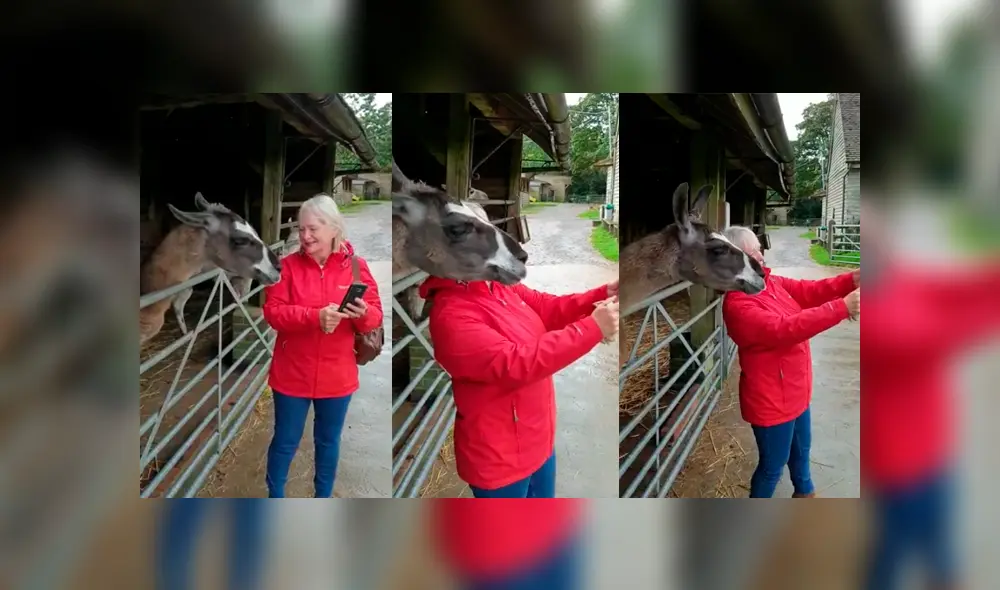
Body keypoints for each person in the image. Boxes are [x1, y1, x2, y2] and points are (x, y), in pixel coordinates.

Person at [862, 202, 1000, 590]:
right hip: (898, 462)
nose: (883, 244)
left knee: (940, 549)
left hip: (933, 451)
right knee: (894, 552)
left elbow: (957, 290)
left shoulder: (899, 281)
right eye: (870, 240)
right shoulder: (872, 318)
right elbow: (939, 335)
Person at [419, 275, 619, 498]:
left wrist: (602, 294)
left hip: (538, 441)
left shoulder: (499, 284)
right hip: (501, 461)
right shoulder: (452, 316)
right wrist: (590, 329)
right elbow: (515, 363)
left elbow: (545, 308)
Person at [720, 226, 860, 499]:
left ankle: (805, 494)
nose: (762, 256)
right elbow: (785, 329)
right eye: (754, 252)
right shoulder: (739, 306)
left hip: (795, 391)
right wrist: (841, 308)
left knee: (801, 453)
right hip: (771, 400)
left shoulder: (769, 283)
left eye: (760, 248)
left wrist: (851, 279)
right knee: (772, 467)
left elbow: (809, 291)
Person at [262, 194, 382, 498]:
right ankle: (275, 497)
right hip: (292, 374)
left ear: (333, 228)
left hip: (337, 376)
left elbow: (376, 317)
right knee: (285, 441)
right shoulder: (286, 267)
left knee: (328, 442)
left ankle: (323, 497)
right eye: (301, 229)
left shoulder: (357, 268)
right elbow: (273, 312)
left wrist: (363, 314)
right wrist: (313, 317)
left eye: (313, 229)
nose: (305, 236)